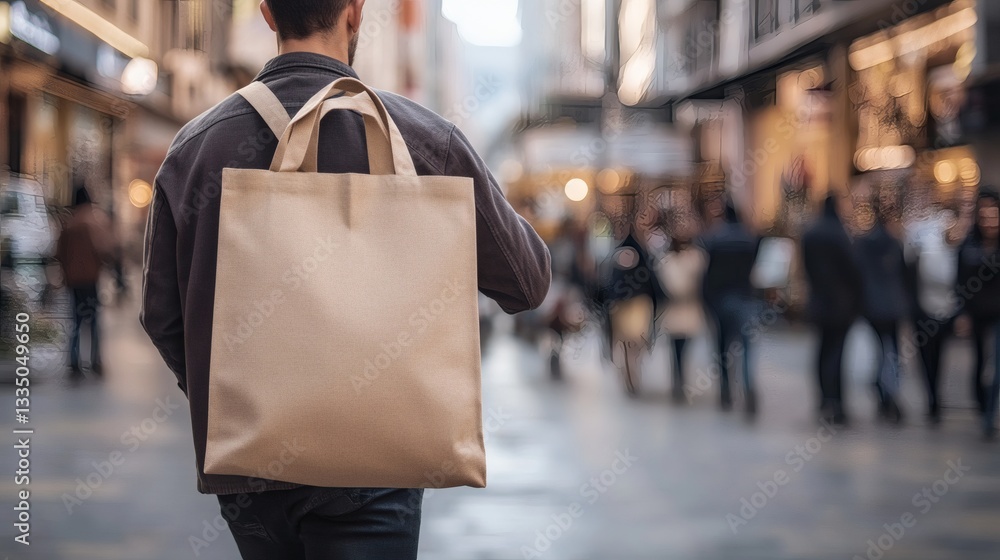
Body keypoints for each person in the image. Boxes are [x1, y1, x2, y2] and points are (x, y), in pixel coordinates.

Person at [140, 1, 551, 557]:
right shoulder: (427, 141)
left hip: (251, 468)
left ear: (267, 14)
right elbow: (527, 281)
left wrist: (241, 396)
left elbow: (162, 317)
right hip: (378, 459)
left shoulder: (195, 148)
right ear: (355, 13)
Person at [903, 186, 966, 425]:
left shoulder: (959, 251)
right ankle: (932, 397)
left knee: (938, 355)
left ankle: (934, 397)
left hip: (944, 310)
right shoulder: (926, 248)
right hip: (924, 310)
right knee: (927, 356)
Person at [801, 194, 863, 425]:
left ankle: (824, 397)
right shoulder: (839, 234)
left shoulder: (811, 233)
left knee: (822, 350)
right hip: (840, 305)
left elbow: (807, 267)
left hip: (819, 302)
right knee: (836, 353)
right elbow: (852, 269)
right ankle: (835, 401)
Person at [699, 200, 761, 415]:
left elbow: (707, 273)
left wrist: (706, 301)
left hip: (720, 300)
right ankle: (748, 384)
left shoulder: (714, 238)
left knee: (722, 348)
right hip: (745, 298)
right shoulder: (749, 238)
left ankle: (725, 390)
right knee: (746, 346)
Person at [855, 199, 909, 424]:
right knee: (891, 351)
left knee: (880, 350)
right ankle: (889, 390)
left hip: (872, 307)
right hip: (892, 307)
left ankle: (882, 387)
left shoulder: (863, 244)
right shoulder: (894, 244)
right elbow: (904, 275)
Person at [57, 185, 115, 379]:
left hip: (73, 281)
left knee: (76, 320)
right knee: (94, 321)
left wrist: (66, 271)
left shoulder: (69, 224)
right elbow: (104, 249)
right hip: (91, 279)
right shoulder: (94, 221)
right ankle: (95, 360)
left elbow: (59, 253)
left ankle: (74, 363)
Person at [955, 189, 1000, 438]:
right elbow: (960, 281)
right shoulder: (969, 245)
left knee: (996, 366)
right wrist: (962, 312)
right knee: (980, 362)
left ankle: (989, 414)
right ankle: (983, 407)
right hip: (977, 313)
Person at [656, 207, 706, 403]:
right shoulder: (669, 260)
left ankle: (680, 378)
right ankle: (678, 379)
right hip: (676, 311)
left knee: (682, 348)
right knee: (677, 348)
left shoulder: (695, 257)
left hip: (685, 310)